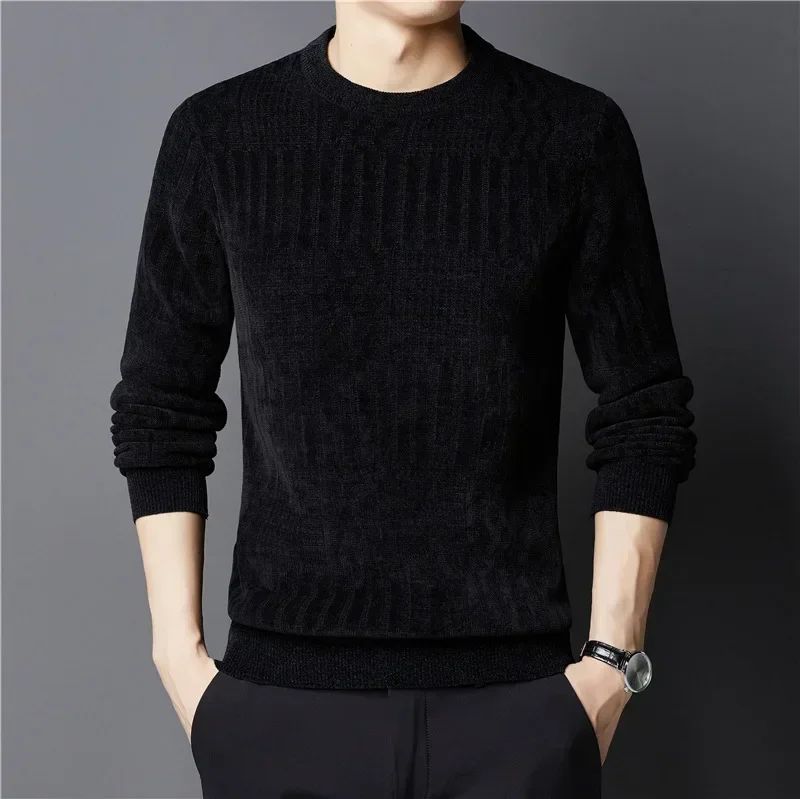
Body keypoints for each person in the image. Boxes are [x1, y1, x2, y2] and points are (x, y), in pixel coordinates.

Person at [108, 1, 697, 796]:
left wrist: (611, 666)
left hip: (517, 715)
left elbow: (644, 407)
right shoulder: (219, 136)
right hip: (280, 709)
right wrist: (180, 661)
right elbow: (160, 406)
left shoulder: (574, 135)